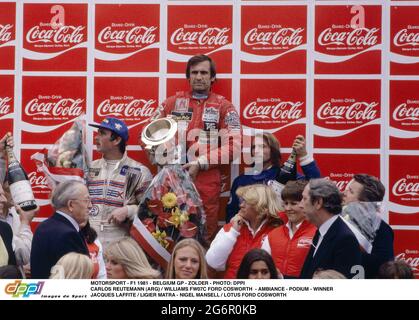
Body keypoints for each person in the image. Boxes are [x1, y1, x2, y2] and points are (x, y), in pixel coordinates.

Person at [149, 54, 242, 242]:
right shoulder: (171, 103)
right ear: (188, 77)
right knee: (169, 234)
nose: (199, 77)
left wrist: (200, 163)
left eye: (204, 73)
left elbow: (235, 145)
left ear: (213, 77)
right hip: (172, 179)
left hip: (206, 182)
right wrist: (162, 154)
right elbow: (148, 135)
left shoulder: (224, 106)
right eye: (194, 73)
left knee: (204, 236)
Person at [226, 133, 321, 223]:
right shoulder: (241, 180)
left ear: (273, 150)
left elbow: (316, 186)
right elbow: (231, 213)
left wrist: (304, 156)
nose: (257, 151)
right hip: (249, 234)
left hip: (276, 229)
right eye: (254, 147)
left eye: (262, 146)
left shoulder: (284, 175)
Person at [88, 117, 152, 249]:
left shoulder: (138, 171)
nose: (96, 137)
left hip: (121, 245)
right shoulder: (88, 168)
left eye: (102, 133)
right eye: (97, 132)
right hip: (89, 243)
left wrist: (129, 210)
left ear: (117, 140)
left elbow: (151, 211)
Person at [206, 184, 283, 279]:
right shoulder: (231, 228)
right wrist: (233, 232)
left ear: (260, 204)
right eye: (242, 201)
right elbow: (213, 262)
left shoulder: (278, 231)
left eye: (246, 202)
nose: (241, 205)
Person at [299, 179, 361, 279]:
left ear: (318, 202)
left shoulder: (345, 239)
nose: (300, 205)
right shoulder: (322, 231)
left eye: (304, 199)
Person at [30, 180, 90, 279]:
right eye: (86, 200)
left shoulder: (43, 226)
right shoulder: (68, 234)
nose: (90, 206)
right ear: (71, 205)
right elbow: (74, 277)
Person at [343, 174, 394, 278]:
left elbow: (383, 267)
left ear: (364, 203)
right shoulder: (337, 221)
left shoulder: (382, 230)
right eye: (347, 189)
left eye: (351, 191)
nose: (344, 193)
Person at [262, 180, 316, 278]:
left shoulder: (318, 233)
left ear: (306, 203)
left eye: (293, 203)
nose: (288, 208)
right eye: (286, 203)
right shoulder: (273, 235)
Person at [1, 133, 38, 270]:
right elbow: (23, 255)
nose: (15, 194)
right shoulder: (21, 219)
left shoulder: (16, 214)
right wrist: (25, 223)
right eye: (10, 189)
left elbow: (26, 257)